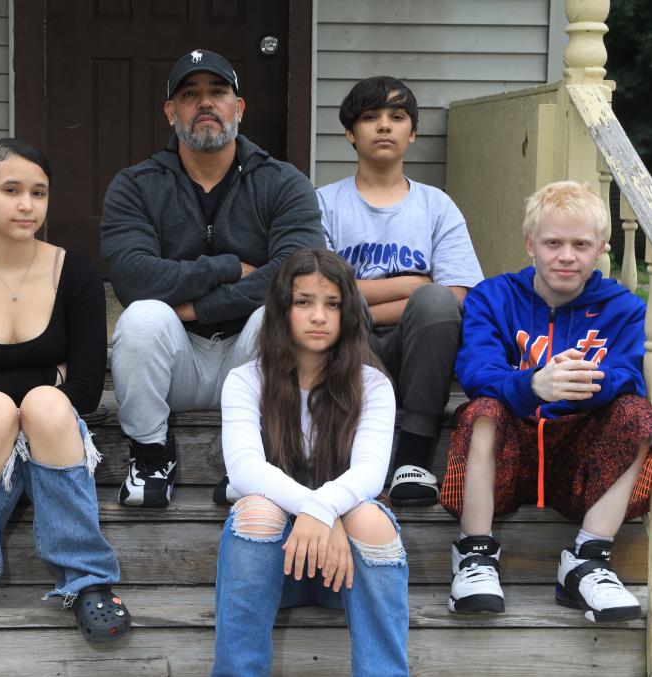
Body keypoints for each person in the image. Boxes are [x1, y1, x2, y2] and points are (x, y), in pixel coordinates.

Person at [0, 138, 129, 640]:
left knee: (48, 405)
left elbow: (85, 391)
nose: (27, 205)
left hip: (52, 442)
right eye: (11, 189)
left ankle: (88, 579)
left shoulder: (75, 274)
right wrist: (43, 377)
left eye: (39, 192)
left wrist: (39, 392)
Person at [101, 48, 325, 508]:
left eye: (218, 92)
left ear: (238, 108)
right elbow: (133, 279)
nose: (205, 103)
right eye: (189, 94)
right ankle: (149, 456)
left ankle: (253, 458)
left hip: (251, 355)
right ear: (171, 112)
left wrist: (198, 305)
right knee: (143, 317)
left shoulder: (282, 181)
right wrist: (225, 267)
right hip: (175, 360)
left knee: (278, 314)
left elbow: (297, 277)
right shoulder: (136, 184)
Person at [440, 181, 652, 622]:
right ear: (530, 244)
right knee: (482, 409)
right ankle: (475, 554)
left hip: (577, 459)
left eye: (581, 244)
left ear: (601, 248)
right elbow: (476, 371)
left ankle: (588, 559)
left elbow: (629, 375)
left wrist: (583, 384)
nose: (566, 256)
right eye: (553, 243)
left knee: (638, 415)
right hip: (510, 455)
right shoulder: (493, 296)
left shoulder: (624, 307)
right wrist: (535, 385)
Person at [213, 249, 409, 676]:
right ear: (282, 309)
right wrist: (322, 513)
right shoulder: (246, 381)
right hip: (274, 566)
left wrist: (325, 512)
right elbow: (245, 469)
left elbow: (371, 475)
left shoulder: (372, 385)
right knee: (259, 511)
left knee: (370, 518)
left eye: (332, 304)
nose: (318, 315)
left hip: (346, 574)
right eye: (304, 302)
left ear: (349, 313)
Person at [316, 76, 484, 507]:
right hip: (352, 347)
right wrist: (411, 285)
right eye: (370, 118)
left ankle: (414, 455)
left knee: (436, 302)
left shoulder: (436, 206)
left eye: (397, 116)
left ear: (413, 132)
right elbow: (320, 293)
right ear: (350, 134)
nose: (385, 126)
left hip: (418, 357)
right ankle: (340, 456)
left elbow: (459, 295)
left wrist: (362, 297)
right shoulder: (323, 204)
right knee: (340, 312)